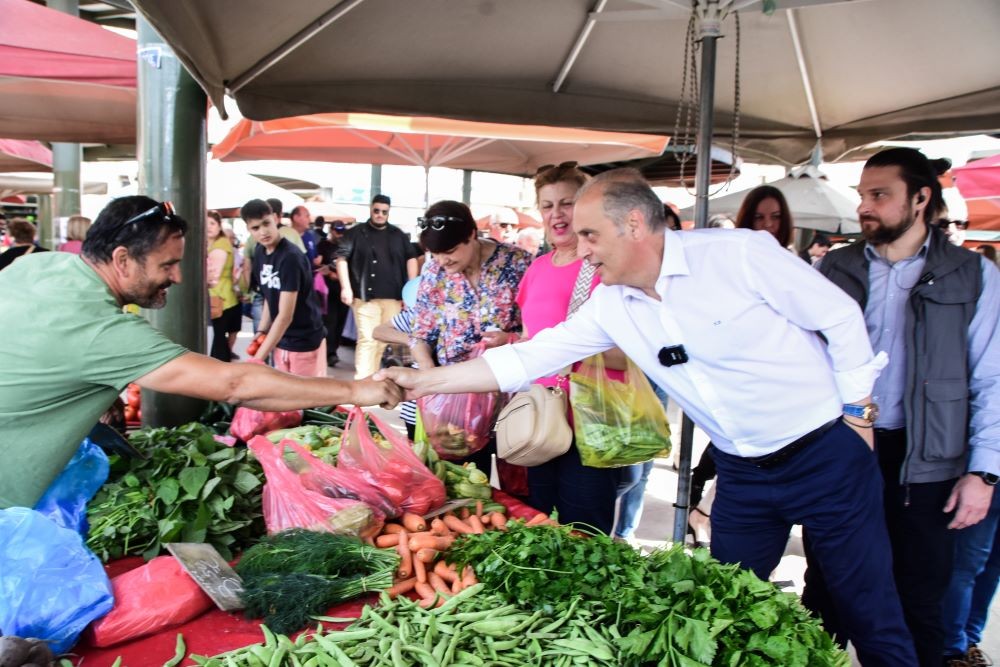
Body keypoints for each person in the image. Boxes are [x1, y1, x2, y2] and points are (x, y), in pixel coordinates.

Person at [379, 169, 918, 666]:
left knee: (867, 602)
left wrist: (857, 413)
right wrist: (423, 381)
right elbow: (528, 357)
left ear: (633, 223)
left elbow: (840, 317)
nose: (582, 251)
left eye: (591, 235)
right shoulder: (614, 302)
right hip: (742, 474)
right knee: (725, 606)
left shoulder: (739, 254)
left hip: (824, 454)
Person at [0, 196, 401, 510]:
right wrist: (356, 391)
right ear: (122, 259)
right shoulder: (100, 331)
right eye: (168, 264)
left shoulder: (35, 265)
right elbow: (234, 383)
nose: (176, 277)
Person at [807, 147, 1000, 667]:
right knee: (824, 593)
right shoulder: (834, 267)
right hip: (844, 449)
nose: (865, 207)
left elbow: (992, 379)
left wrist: (984, 472)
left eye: (879, 195)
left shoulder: (975, 275)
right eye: (862, 195)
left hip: (929, 461)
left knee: (919, 601)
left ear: (920, 199)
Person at [516, 162, 629, 534]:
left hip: (592, 419)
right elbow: (531, 339)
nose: (557, 214)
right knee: (538, 525)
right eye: (547, 205)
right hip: (542, 421)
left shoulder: (604, 266)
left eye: (567, 203)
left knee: (586, 535)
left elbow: (631, 355)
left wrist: (565, 353)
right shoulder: (537, 269)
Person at [409, 200, 532, 471]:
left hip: (509, 392)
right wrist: (429, 380)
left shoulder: (517, 262)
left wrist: (509, 338)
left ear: (472, 234)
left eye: (450, 251)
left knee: (516, 480)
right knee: (464, 480)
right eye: (435, 253)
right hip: (454, 396)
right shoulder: (433, 271)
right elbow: (420, 333)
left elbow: (535, 327)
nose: (443, 260)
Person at [335, 194, 419, 379]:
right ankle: (363, 381)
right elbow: (342, 259)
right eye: (376, 211)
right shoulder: (355, 233)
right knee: (367, 339)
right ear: (370, 209)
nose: (380, 215)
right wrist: (345, 287)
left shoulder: (398, 235)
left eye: (384, 212)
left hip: (393, 296)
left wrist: (410, 291)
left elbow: (411, 258)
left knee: (382, 340)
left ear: (389, 212)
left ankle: (373, 379)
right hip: (365, 297)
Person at [242, 199, 327, 377]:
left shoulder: (290, 257)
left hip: (304, 341)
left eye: (266, 223)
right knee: (285, 401)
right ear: (249, 230)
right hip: (281, 339)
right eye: (255, 228)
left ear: (275, 218)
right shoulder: (259, 251)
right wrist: (261, 331)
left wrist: (258, 358)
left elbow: (285, 315)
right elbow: (268, 296)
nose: (263, 232)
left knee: (306, 399)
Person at [206, 210, 242, 362]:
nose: (209, 227)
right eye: (206, 223)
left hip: (220, 296)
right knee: (219, 335)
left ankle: (218, 366)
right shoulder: (212, 243)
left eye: (212, 223)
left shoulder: (221, 244)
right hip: (221, 295)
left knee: (219, 336)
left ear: (219, 226)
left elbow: (214, 275)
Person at [317, 221, 350, 366]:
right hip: (326, 291)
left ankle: (333, 350)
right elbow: (316, 265)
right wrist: (327, 271)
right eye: (337, 231)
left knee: (339, 323)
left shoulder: (346, 246)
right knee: (330, 322)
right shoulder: (323, 245)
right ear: (331, 230)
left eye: (342, 231)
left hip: (343, 290)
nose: (340, 234)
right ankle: (329, 353)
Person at [735, 185, 793, 249]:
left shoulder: (790, 258)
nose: (768, 224)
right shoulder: (733, 256)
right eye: (758, 217)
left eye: (775, 216)